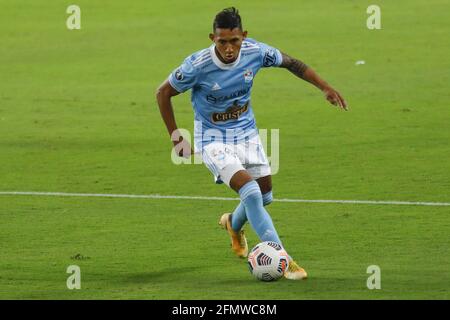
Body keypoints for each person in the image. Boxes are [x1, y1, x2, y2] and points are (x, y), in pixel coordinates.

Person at [156, 7, 347, 280]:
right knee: (252, 193)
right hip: (212, 139)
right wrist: (176, 137)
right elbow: (163, 93)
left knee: (265, 195)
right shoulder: (197, 66)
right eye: (222, 42)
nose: (230, 48)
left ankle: (232, 225)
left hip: (247, 134)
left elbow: (292, 63)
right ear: (213, 38)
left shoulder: (256, 52)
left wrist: (325, 87)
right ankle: (284, 259)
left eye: (235, 41)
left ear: (244, 36)